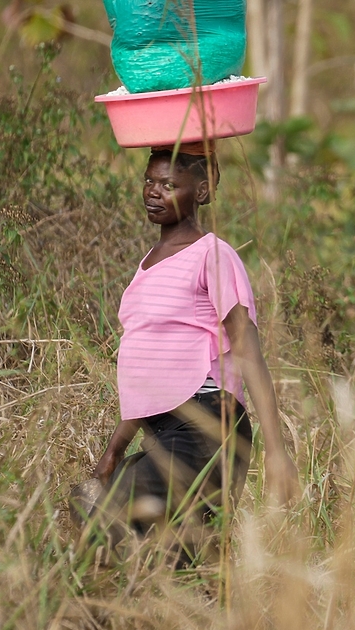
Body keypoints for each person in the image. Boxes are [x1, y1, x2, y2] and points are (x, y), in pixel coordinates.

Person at [90, 144, 298, 561]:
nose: (153, 192)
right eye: (149, 181)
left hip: (207, 425)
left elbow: (247, 350)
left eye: (169, 184)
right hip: (164, 431)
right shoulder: (149, 262)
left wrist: (277, 450)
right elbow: (152, 369)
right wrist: (117, 446)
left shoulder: (213, 255)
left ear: (201, 192)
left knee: (106, 524)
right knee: (181, 564)